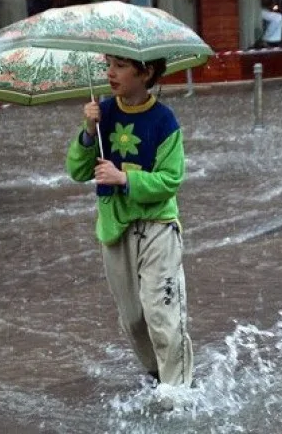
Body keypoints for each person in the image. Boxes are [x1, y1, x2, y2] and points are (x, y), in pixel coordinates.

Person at [65, 55, 193, 389]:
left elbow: (171, 180)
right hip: (114, 230)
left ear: (146, 71)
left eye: (120, 66)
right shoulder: (102, 113)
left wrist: (124, 178)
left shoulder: (164, 121)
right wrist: (88, 132)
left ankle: (178, 392)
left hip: (157, 227)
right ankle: (157, 377)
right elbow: (77, 171)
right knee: (134, 320)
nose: (110, 72)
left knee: (162, 316)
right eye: (109, 64)